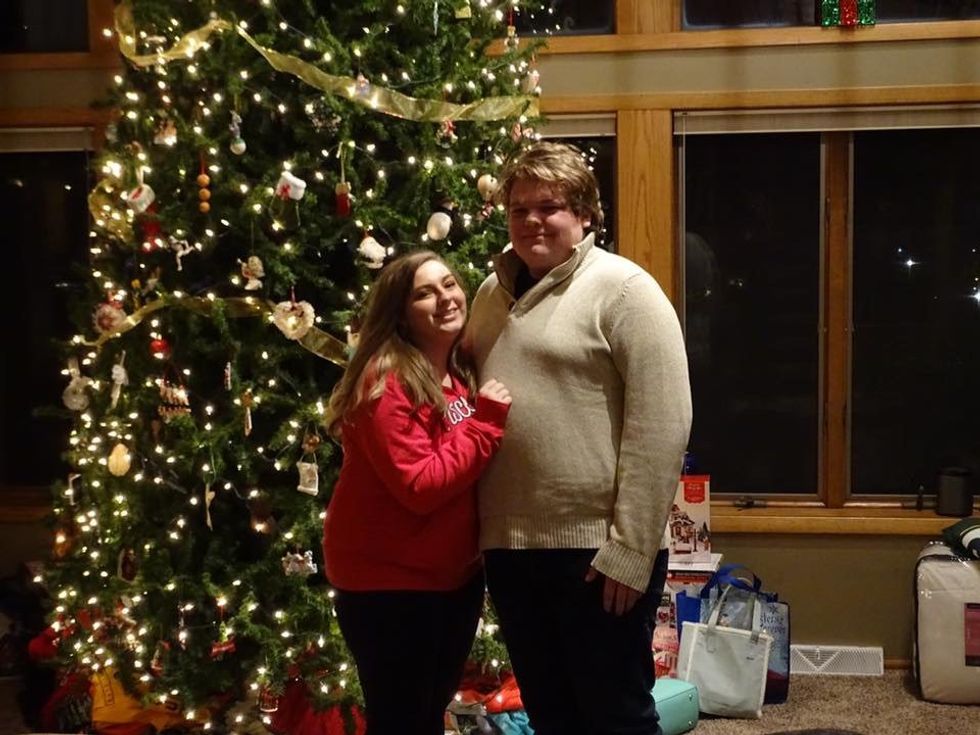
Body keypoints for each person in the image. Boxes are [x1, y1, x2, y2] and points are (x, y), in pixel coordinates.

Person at [465, 142, 692, 735]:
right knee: (550, 714)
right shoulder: (487, 296)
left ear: (586, 215)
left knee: (616, 716)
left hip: (596, 553)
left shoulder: (625, 290)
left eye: (549, 207)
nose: (532, 221)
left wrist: (631, 548)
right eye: (519, 209)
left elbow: (663, 424)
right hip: (510, 550)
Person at [322, 250, 511, 735]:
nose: (445, 298)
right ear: (401, 314)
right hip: (388, 585)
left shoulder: (458, 370)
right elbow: (420, 486)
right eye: (424, 293)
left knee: (427, 712)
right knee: (402, 719)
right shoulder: (385, 381)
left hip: (451, 579)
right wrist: (487, 423)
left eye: (449, 284)